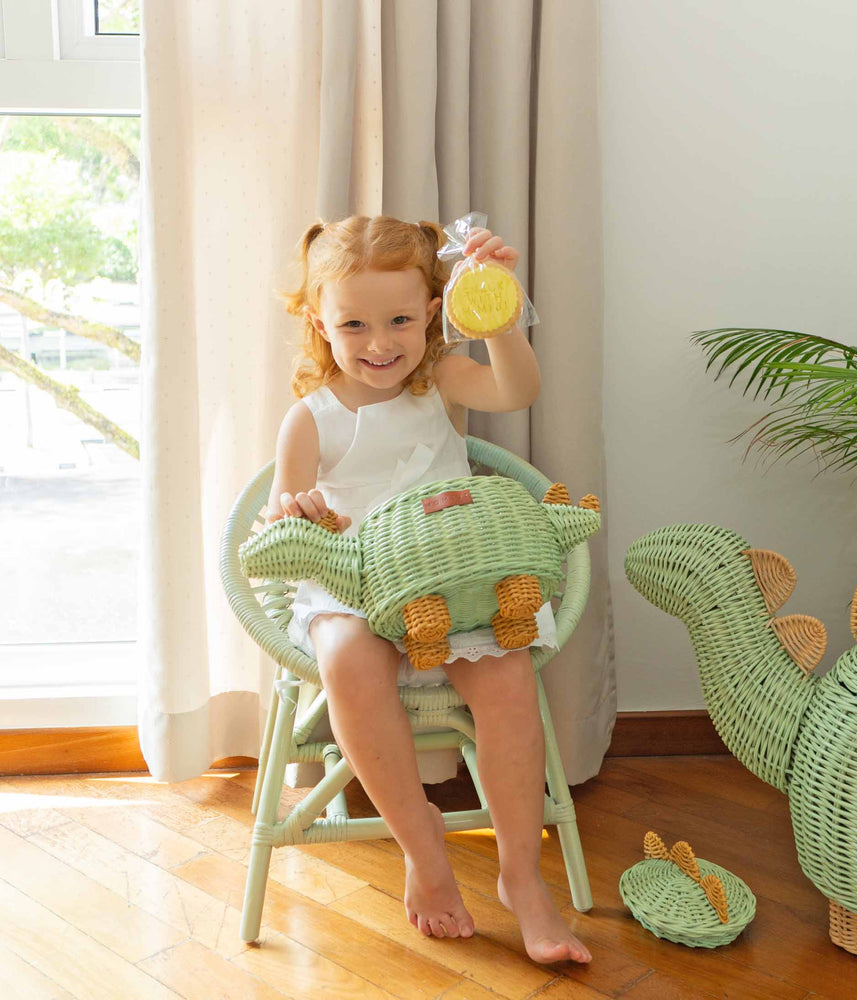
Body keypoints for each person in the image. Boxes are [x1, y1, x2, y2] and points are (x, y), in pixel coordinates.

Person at [266, 215, 591, 965]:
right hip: (353, 580)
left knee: (507, 676)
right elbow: (283, 529)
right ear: (321, 322)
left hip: (456, 576)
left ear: (433, 314)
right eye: (355, 325)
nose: (381, 344)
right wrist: (302, 511)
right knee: (348, 658)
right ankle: (424, 849)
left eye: (401, 320)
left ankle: (520, 875)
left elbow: (518, 388)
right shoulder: (309, 420)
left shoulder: (437, 379)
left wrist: (501, 315)